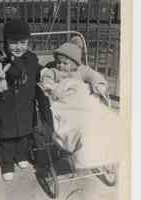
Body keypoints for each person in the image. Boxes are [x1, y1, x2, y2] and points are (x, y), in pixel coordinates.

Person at [39, 40, 122, 168]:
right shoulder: (54, 71)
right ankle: (81, 147)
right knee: (74, 125)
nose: (60, 65)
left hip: (83, 104)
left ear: (75, 63)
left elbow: (94, 76)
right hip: (66, 106)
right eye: (58, 62)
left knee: (104, 119)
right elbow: (47, 80)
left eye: (65, 63)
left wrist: (98, 84)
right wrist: (53, 87)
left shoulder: (82, 70)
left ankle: (103, 146)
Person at [0, 18, 42, 181]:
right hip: (6, 106)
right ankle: (7, 163)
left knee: (25, 135)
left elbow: (38, 72)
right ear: (6, 41)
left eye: (23, 42)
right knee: (6, 137)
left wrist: (51, 74)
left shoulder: (32, 58)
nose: (18, 47)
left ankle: (21, 155)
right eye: (13, 42)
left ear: (28, 41)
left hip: (25, 105)